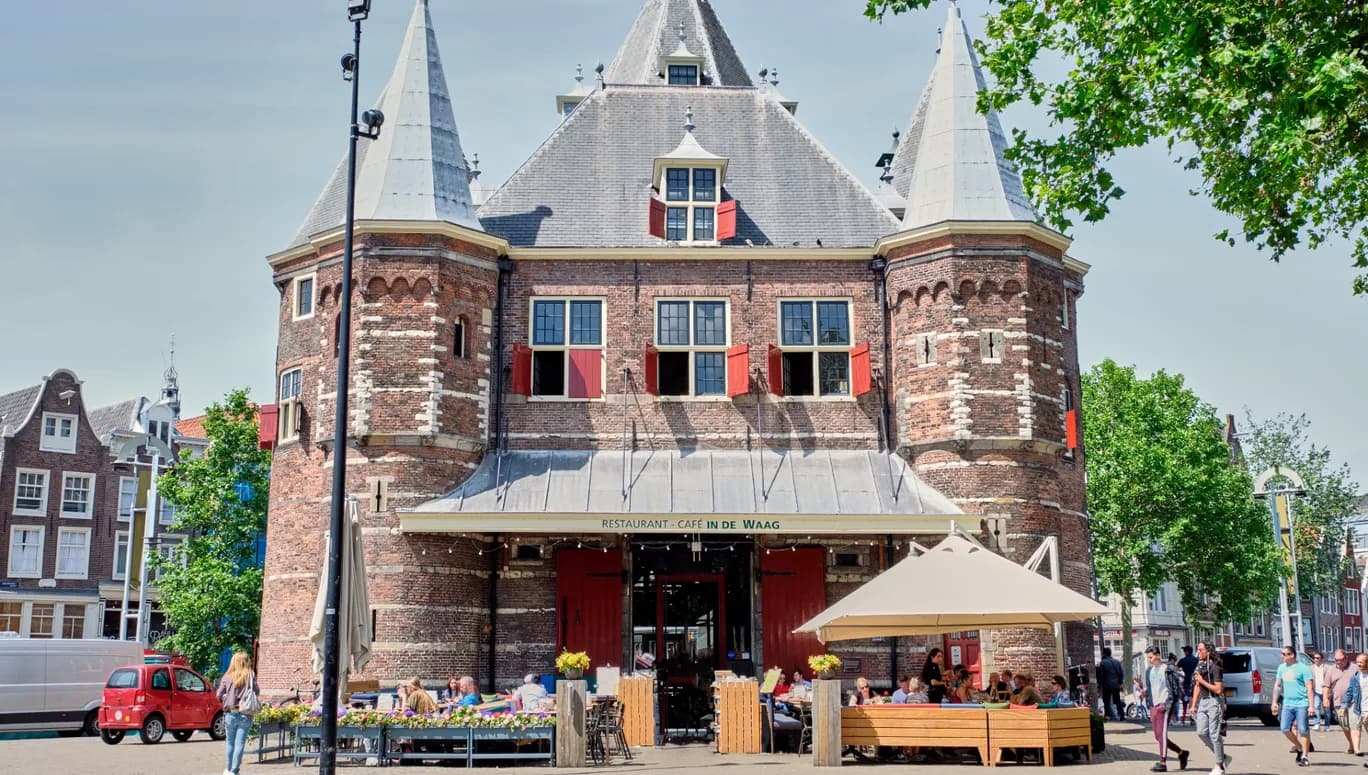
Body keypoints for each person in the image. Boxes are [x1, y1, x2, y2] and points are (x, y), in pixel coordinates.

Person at [1143, 645, 1189, 772]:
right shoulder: (1149, 671)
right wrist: (1146, 697)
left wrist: (1167, 705)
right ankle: (1181, 753)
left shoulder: (1167, 670)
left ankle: (1163, 763)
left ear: (1157, 655)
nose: (1149, 660)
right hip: (1154, 705)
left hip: (1164, 706)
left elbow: (1175, 689)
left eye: (1151, 657)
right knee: (1158, 736)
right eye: (1148, 658)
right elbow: (1150, 688)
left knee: (1162, 734)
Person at [1189, 641, 1230, 774]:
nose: (1198, 652)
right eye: (1198, 649)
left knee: (1214, 734)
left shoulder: (1215, 666)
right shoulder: (1200, 666)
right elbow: (1197, 686)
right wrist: (1194, 705)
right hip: (1203, 702)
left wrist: (1202, 681)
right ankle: (1223, 757)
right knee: (1201, 732)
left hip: (1214, 701)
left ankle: (1219, 765)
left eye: (1201, 650)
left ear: (1208, 651)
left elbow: (1218, 689)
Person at [1271, 644, 1315, 767]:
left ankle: (1305, 756)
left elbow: (1309, 687)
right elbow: (1278, 685)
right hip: (1287, 703)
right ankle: (1299, 747)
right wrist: (1274, 702)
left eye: (1284, 654)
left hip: (1302, 703)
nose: (1282, 656)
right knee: (1284, 728)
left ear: (1292, 655)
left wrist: (1311, 706)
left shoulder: (1303, 668)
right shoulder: (1281, 668)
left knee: (1303, 729)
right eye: (1282, 654)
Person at [214, 652, 257, 775]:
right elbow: (257, 691)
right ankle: (234, 771)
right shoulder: (250, 676)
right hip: (245, 713)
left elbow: (218, 694)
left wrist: (226, 698)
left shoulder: (227, 676)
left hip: (230, 713)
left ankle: (228, 769)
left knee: (230, 742)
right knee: (240, 743)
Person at [1328, 649, 1361, 755]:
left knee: (1354, 724)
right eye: (1336, 660)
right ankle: (1352, 745)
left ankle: (1357, 749)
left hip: (1354, 702)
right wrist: (1325, 699)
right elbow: (1326, 685)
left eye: (1341, 660)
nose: (1338, 662)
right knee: (1345, 726)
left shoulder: (1355, 668)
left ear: (1346, 658)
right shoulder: (1331, 670)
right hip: (1338, 702)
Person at [1342, 653, 1368, 761]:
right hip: (1358, 708)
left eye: (1361, 662)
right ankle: (1356, 749)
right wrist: (1344, 706)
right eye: (1358, 662)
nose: (1359, 664)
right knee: (1355, 727)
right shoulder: (1356, 676)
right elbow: (1349, 692)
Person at [1098, 648, 1125, 721]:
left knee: (1106, 701)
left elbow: (1101, 675)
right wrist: (1119, 683)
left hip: (1107, 685)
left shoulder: (1103, 663)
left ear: (1104, 654)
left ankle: (1107, 716)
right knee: (1118, 701)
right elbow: (1121, 673)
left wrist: (1100, 685)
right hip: (1116, 685)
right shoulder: (1117, 662)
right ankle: (1122, 715)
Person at [1177, 645, 1198, 724]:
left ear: (1186, 652)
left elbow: (1176, 669)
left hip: (1186, 681)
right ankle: (1192, 718)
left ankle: (1184, 719)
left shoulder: (1183, 660)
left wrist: (1181, 675)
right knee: (1193, 700)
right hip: (1195, 682)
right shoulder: (1196, 660)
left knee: (1186, 700)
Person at [1311, 651, 1330, 731]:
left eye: (1318, 658)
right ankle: (1317, 724)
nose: (1316, 660)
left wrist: (1330, 691)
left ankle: (1327, 726)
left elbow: (1330, 680)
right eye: (1314, 658)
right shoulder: (1311, 668)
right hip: (1316, 690)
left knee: (1326, 709)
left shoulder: (1327, 668)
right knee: (1316, 707)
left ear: (1322, 659)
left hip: (1325, 691)